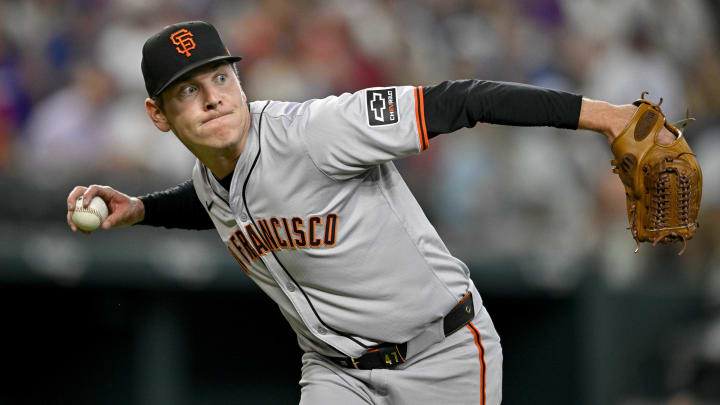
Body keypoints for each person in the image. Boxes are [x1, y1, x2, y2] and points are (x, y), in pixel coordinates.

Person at [66, 21, 676, 404]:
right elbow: (221, 202)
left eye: (221, 79)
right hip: (336, 375)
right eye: (188, 92)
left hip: (442, 358)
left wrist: (609, 117)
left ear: (239, 81)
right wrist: (141, 210)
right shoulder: (210, 178)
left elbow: (463, 100)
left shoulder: (318, 131)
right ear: (158, 114)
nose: (212, 100)